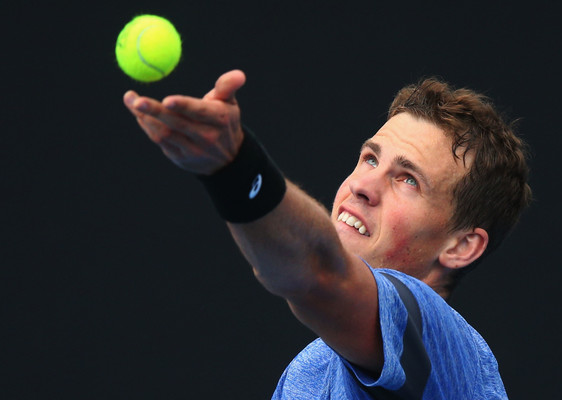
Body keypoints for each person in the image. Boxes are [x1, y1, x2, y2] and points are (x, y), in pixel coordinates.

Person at [123, 70, 531, 399]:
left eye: (408, 180)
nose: (363, 186)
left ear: (461, 246)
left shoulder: (445, 347)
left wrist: (235, 167)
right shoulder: (309, 371)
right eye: (370, 158)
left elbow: (317, 273)